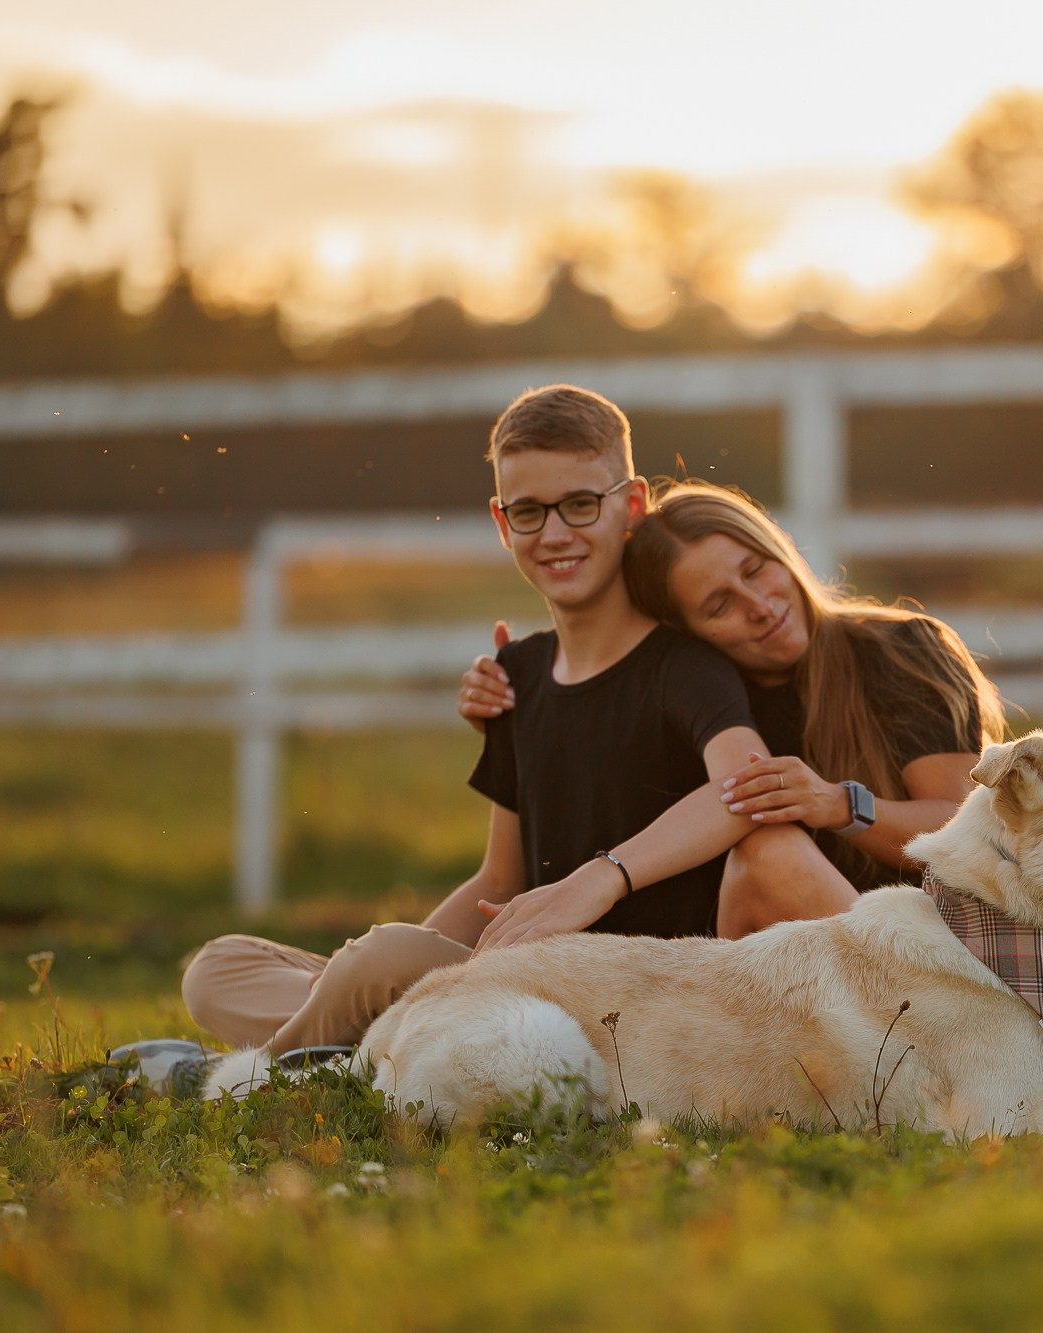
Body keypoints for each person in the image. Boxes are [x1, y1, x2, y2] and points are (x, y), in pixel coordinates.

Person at [121, 385, 828, 1088]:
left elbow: (744, 785)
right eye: (529, 511)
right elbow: (499, 879)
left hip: (613, 998)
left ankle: (260, 1079)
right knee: (220, 966)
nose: (556, 533)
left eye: (581, 504)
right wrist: (377, 970)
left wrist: (598, 879)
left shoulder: (684, 665)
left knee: (383, 962)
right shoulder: (517, 673)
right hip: (503, 981)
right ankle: (357, 1044)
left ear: (632, 505)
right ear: (501, 522)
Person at [458, 481, 1043, 1072]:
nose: (758, 605)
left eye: (755, 569)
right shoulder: (707, 706)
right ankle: (961, 1065)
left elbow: (970, 830)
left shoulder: (896, 650)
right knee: (768, 854)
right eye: (717, 605)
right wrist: (516, 692)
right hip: (813, 982)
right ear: (687, 633)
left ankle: (1025, 1058)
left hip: (949, 942)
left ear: (780, 550)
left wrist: (842, 805)